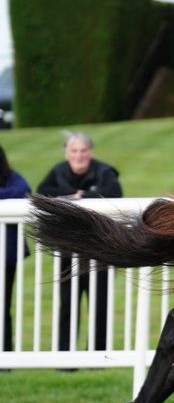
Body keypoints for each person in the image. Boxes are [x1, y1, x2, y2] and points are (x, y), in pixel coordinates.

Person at [37, 132, 122, 352]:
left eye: (83, 150)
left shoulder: (105, 172)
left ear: (90, 152)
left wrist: (82, 197)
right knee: (68, 305)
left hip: (99, 252)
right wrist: (74, 194)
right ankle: (65, 357)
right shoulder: (57, 171)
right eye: (74, 151)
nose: (79, 155)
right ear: (67, 153)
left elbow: (115, 192)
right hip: (68, 252)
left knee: (99, 306)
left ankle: (98, 355)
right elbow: (42, 192)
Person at [0, 145, 29, 353]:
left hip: (6, 256)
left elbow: (23, 191)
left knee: (3, 307)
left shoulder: (11, 177)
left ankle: (5, 357)